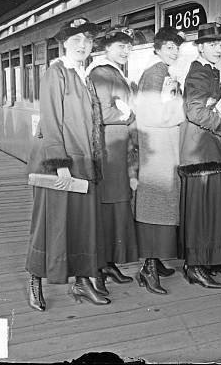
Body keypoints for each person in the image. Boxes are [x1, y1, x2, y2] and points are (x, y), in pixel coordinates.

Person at [25, 17, 110, 309]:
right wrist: (60, 164)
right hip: (59, 163)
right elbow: (50, 121)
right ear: (64, 43)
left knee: (82, 224)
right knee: (50, 224)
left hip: (83, 161)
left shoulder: (83, 75)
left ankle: (83, 283)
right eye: (76, 40)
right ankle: (35, 283)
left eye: (87, 40)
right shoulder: (56, 73)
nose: (82, 45)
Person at [177, 21, 221, 289]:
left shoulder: (214, 72)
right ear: (200, 47)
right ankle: (195, 265)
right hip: (200, 149)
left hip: (211, 147)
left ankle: (215, 259)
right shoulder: (199, 73)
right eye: (212, 44)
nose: (218, 49)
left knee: (213, 207)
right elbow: (195, 111)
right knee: (201, 209)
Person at [133, 27, 185, 295]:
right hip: (158, 147)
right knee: (157, 203)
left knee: (162, 202)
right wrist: (180, 111)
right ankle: (148, 268)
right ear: (157, 49)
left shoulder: (162, 71)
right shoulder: (156, 73)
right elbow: (154, 114)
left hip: (161, 147)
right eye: (169, 47)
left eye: (176, 47)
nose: (174, 52)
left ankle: (155, 261)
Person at [87, 26, 139, 286]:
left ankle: (109, 264)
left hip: (119, 148)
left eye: (129, 46)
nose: (126, 50)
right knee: (108, 205)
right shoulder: (101, 73)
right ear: (107, 48)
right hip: (109, 149)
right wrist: (129, 114)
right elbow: (104, 114)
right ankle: (100, 265)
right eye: (121, 45)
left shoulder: (114, 73)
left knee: (116, 204)